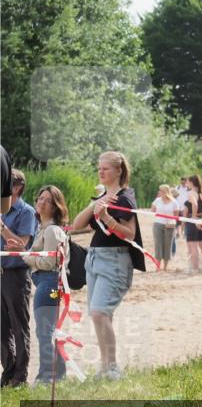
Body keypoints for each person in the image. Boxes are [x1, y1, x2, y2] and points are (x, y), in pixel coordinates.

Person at [69, 151, 144, 380]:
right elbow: (76, 225)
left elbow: (129, 233)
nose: (101, 171)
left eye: (106, 168)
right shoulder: (102, 197)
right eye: (99, 168)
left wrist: (107, 217)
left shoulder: (124, 198)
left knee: (100, 312)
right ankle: (105, 366)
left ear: (119, 170)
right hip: (94, 259)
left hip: (115, 260)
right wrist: (96, 205)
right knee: (100, 315)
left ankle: (112, 368)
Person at [24, 185, 69, 384]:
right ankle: (58, 374)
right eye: (40, 198)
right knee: (47, 330)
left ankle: (46, 377)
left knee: (44, 332)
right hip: (44, 282)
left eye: (48, 200)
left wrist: (27, 256)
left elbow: (49, 263)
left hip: (49, 282)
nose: (41, 202)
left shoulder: (51, 230)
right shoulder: (41, 228)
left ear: (56, 206)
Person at [1, 169, 37, 387]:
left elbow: (22, 244)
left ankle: (20, 376)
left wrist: (3, 229)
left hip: (16, 275)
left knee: (18, 325)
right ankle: (9, 370)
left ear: (16, 188)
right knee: (1, 328)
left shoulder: (26, 212)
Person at [183, 175, 202, 273]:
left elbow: (195, 204)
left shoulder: (191, 193)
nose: (186, 184)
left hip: (193, 221)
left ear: (191, 183)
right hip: (201, 220)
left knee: (193, 246)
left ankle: (195, 267)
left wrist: (194, 216)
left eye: (187, 182)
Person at [151, 185, 180, 271]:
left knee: (168, 245)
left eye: (160, 191)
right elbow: (152, 210)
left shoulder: (174, 202)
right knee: (158, 245)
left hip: (169, 226)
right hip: (158, 224)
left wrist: (172, 223)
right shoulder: (157, 200)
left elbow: (176, 216)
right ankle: (157, 266)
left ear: (165, 192)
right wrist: (154, 206)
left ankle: (165, 267)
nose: (159, 192)